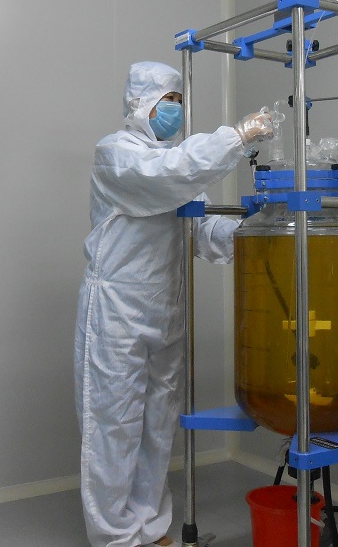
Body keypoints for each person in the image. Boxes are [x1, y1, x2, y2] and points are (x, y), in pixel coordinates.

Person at [74, 61, 274, 547]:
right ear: (140, 104)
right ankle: (115, 536)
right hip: (117, 310)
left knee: (157, 425)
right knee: (113, 426)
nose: (177, 111)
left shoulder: (176, 168)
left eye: (181, 101)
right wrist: (237, 137)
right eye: (169, 101)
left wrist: (257, 230)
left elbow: (201, 229)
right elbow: (169, 174)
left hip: (165, 307)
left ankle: (150, 525)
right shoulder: (117, 155)